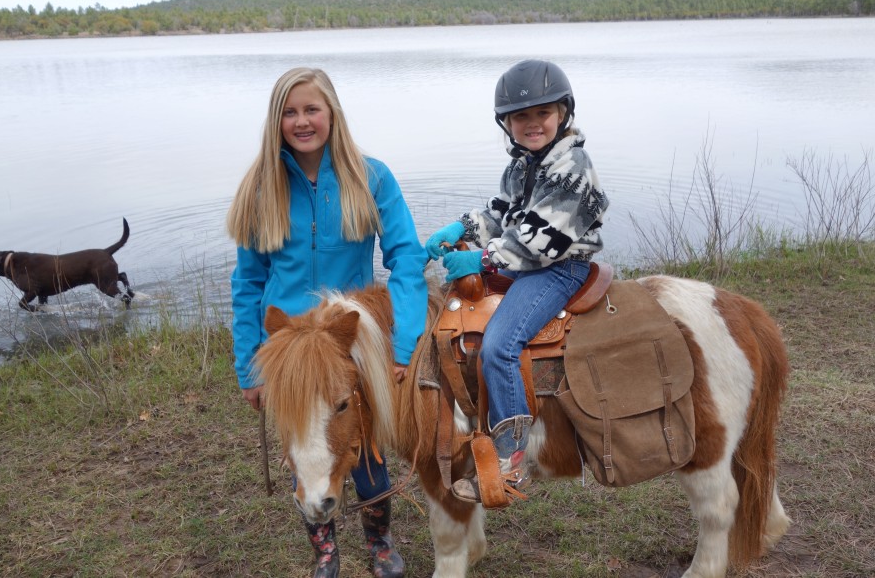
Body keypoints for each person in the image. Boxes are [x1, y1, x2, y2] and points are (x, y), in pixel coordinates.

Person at [227, 67, 427, 578]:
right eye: (289, 112)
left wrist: (405, 339)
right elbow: (248, 283)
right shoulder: (260, 188)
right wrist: (250, 367)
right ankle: (324, 550)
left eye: (311, 109)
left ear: (332, 112)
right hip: (288, 348)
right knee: (305, 448)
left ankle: (380, 541)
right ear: (276, 121)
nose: (301, 121)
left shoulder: (370, 175)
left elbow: (406, 257)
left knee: (366, 449)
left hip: (348, 338)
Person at [426, 59, 610, 503]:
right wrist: (463, 228)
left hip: (560, 267)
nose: (532, 124)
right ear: (506, 124)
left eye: (542, 114)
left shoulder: (573, 166)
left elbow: (542, 240)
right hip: (529, 260)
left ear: (562, 113)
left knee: (500, 344)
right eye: (521, 116)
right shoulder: (522, 164)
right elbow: (503, 216)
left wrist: (482, 259)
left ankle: (512, 459)